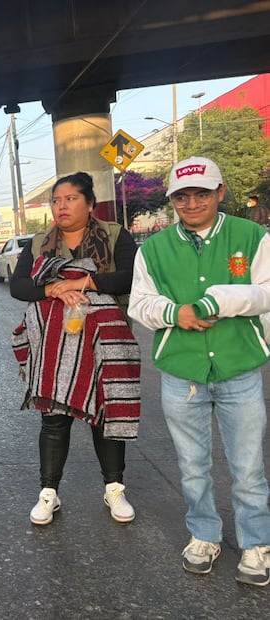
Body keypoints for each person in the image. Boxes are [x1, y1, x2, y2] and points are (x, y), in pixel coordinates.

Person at [128, 156, 270, 586]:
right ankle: (203, 535)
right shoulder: (152, 249)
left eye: (201, 194)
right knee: (193, 465)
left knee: (248, 466)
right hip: (181, 372)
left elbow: (265, 292)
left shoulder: (253, 236)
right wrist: (176, 313)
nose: (192, 203)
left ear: (220, 193)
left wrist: (219, 301)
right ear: (172, 200)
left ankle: (256, 543)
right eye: (182, 196)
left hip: (239, 368)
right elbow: (139, 304)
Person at [10, 171, 140, 527]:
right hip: (54, 344)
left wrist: (81, 281)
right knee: (53, 419)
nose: (61, 206)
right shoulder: (39, 243)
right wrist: (53, 290)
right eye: (56, 200)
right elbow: (19, 286)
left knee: (106, 414)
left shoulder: (114, 236)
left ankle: (114, 487)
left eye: (70, 199)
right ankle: (48, 492)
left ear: (90, 203)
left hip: (105, 343)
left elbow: (130, 277)